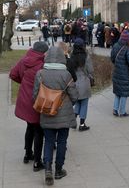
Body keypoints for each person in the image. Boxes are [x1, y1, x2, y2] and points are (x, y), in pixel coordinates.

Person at [33, 47, 78, 186]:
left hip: (47, 113)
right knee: (62, 142)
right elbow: (74, 96)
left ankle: (47, 169)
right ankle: (58, 170)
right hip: (64, 114)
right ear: (61, 58)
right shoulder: (66, 75)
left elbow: (35, 95)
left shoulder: (40, 74)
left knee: (48, 141)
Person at [9, 41, 49, 171]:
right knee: (39, 131)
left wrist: (24, 83)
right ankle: (37, 162)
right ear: (43, 52)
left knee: (30, 127)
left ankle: (27, 154)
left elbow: (13, 74)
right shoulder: (42, 64)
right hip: (37, 101)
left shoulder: (24, 60)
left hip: (25, 100)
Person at [69, 38, 94, 131]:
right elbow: (90, 70)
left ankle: (73, 121)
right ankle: (82, 124)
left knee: (78, 102)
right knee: (84, 103)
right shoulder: (86, 56)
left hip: (75, 83)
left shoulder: (71, 57)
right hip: (84, 83)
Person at [110, 30, 129, 117]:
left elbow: (112, 58)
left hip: (116, 72)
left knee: (117, 92)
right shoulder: (127, 48)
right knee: (124, 93)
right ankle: (122, 111)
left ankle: (115, 109)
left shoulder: (115, 45)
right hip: (125, 73)